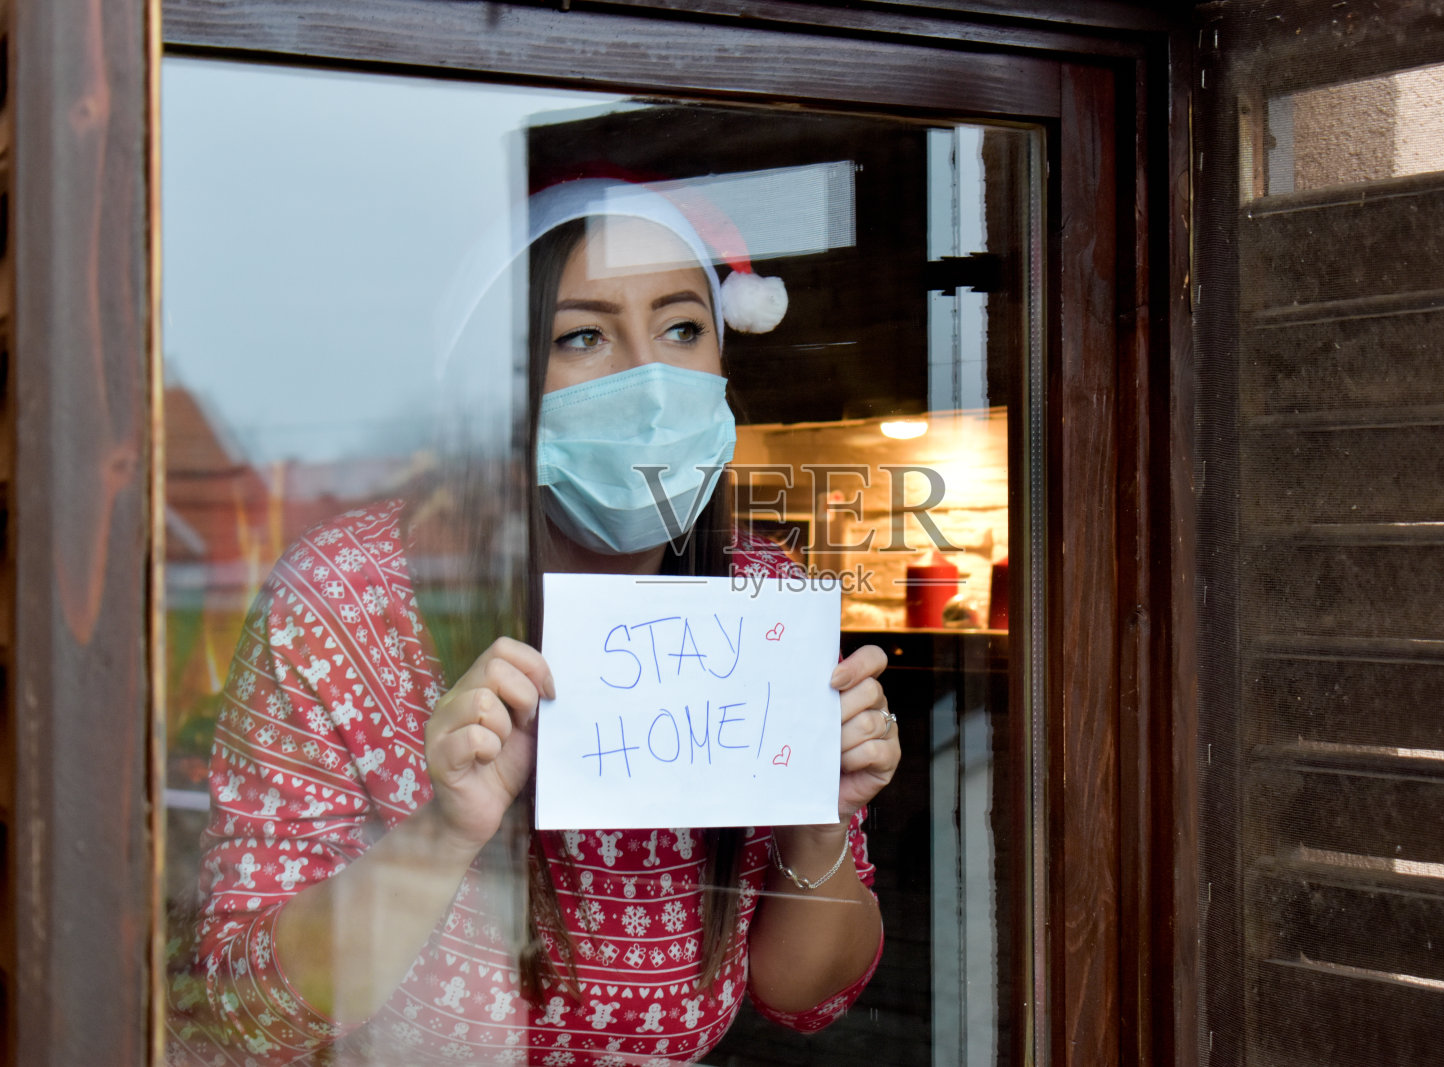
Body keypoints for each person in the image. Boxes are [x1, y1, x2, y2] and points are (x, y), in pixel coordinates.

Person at [166, 179, 901, 1066]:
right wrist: (445, 832)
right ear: (505, 384)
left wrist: (817, 820)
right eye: (582, 336)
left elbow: (807, 996)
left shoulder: (761, 596)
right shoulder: (344, 601)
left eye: (682, 328)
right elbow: (242, 1012)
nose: (651, 379)